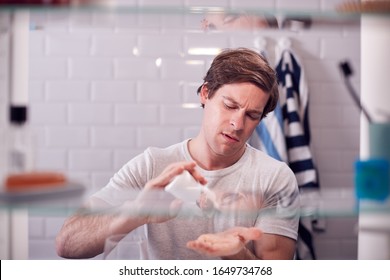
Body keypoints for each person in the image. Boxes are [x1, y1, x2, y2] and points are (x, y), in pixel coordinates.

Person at [56, 47, 300, 260]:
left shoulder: (274, 178)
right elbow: (67, 243)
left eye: (252, 115)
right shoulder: (153, 165)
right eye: (229, 106)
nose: (237, 123)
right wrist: (134, 213)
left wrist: (235, 252)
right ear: (205, 93)